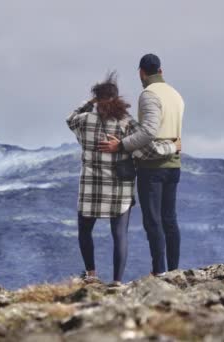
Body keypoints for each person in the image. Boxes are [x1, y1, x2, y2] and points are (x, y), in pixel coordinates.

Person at [66, 72, 179, 286]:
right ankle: (117, 281)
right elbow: (149, 151)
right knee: (120, 235)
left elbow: (70, 118)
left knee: (84, 231)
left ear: (96, 99)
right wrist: (173, 147)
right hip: (119, 189)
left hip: (90, 188)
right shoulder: (126, 124)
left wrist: (89, 102)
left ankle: (91, 275)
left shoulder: (83, 121)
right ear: (116, 98)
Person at [99, 54, 185, 277]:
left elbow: (148, 131)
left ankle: (159, 272)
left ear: (141, 72)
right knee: (170, 219)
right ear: (161, 70)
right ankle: (175, 270)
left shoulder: (149, 95)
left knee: (153, 221)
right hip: (174, 164)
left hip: (152, 165)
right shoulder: (176, 95)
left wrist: (122, 145)